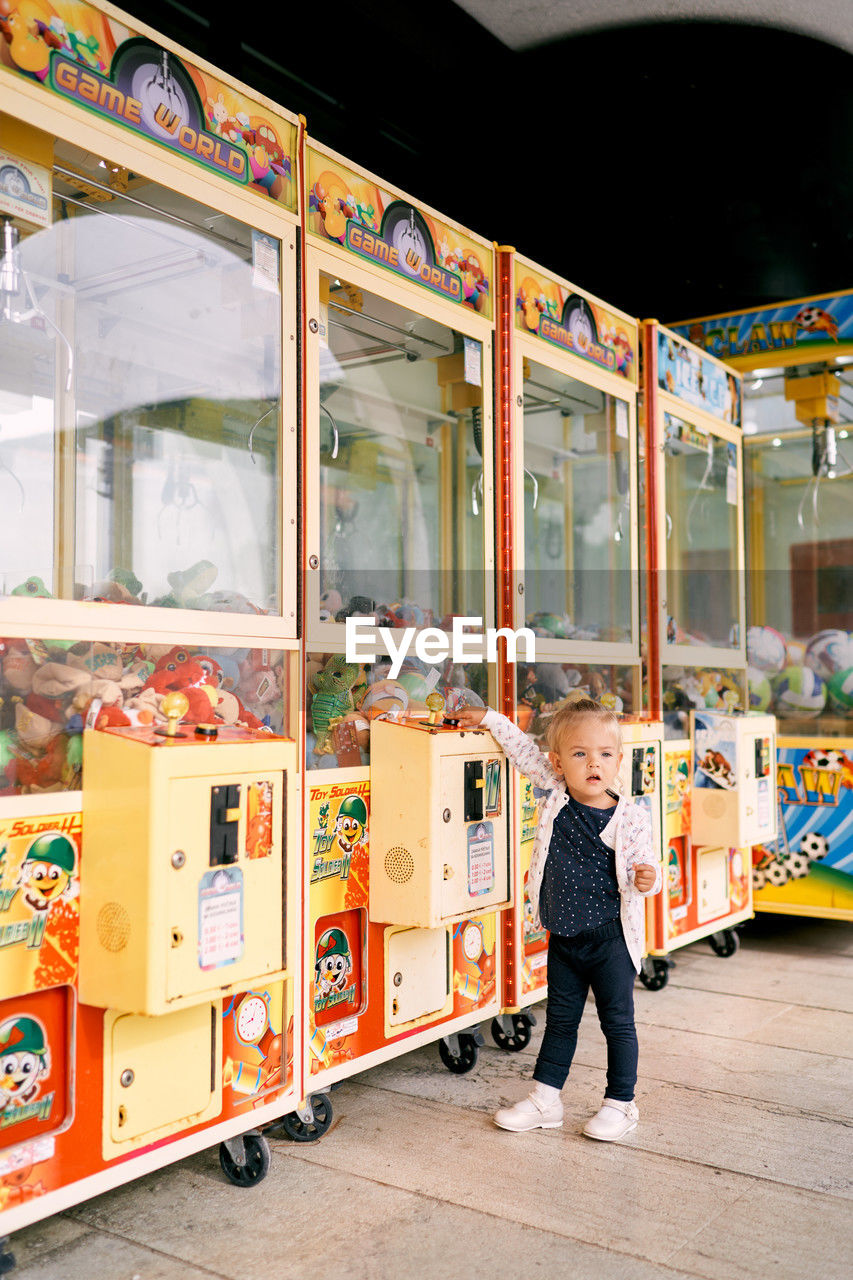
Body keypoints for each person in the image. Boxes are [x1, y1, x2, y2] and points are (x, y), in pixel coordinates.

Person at [455, 697, 661, 1141]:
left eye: (605, 754)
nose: (593, 763)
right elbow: (521, 749)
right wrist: (490, 719)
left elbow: (645, 866)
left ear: (618, 761)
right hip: (564, 938)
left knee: (617, 1022)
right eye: (580, 753)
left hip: (611, 942)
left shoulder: (631, 817)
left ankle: (621, 1104)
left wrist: (648, 877)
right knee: (561, 1021)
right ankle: (546, 1099)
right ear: (558, 762)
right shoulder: (553, 792)